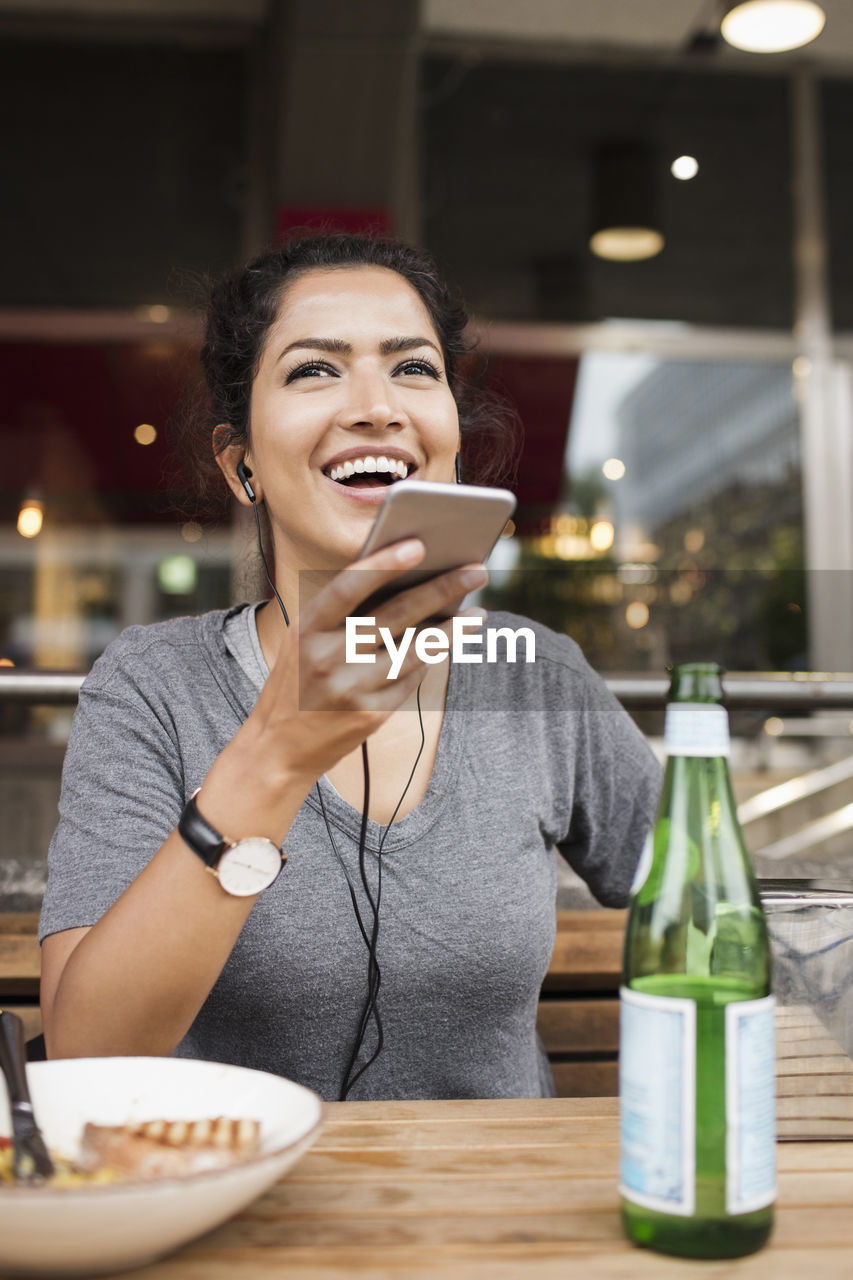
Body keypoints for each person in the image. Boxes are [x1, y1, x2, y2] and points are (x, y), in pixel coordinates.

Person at [39, 233, 660, 1101]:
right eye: (313, 371)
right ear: (241, 463)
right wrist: (276, 752)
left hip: (499, 1214)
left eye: (413, 368)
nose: (377, 406)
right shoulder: (153, 686)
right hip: (235, 1207)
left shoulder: (536, 677)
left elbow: (709, 899)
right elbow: (86, 1062)